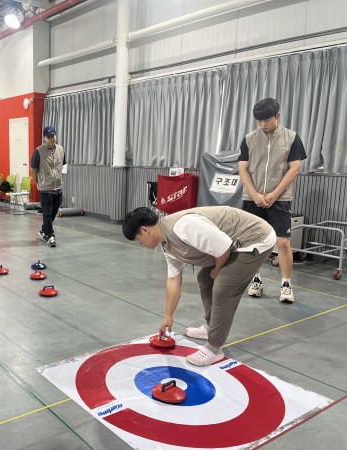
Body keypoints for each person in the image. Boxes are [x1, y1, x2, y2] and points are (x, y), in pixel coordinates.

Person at [122, 206, 276, 366]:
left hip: (254, 239)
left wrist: (217, 270)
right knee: (204, 278)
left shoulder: (183, 227)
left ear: (145, 230)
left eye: (139, 240)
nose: (142, 244)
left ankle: (214, 348)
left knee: (223, 287)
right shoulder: (167, 244)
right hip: (232, 244)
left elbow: (223, 247)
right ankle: (211, 326)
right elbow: (174, 280)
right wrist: (168, 316)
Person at [238, 98, 307, 304]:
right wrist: (256, 194)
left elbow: (294, 169)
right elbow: (243, 168)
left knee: (283, 242)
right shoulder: (249, 139)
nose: (262, 124)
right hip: (253, 198)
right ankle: (256, 279)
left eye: (266, 120)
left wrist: (274, 194)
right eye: (258, 121)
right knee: (253, 242)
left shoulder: (292, 138)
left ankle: (286, 284)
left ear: (277, 116)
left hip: (280, 198)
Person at [31, 126, 66, 248]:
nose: (51, 139)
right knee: (47, 212)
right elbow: (33, 170)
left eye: (53, 136)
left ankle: (43, 230)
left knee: (54, 211)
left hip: (58, 186)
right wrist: (38, 184)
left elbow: (64, 165)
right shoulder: (38, 151)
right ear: (44, 138)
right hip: (45, 188)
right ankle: (50, 235)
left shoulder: (61, 149)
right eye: (49, 137)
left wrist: (61, 178)